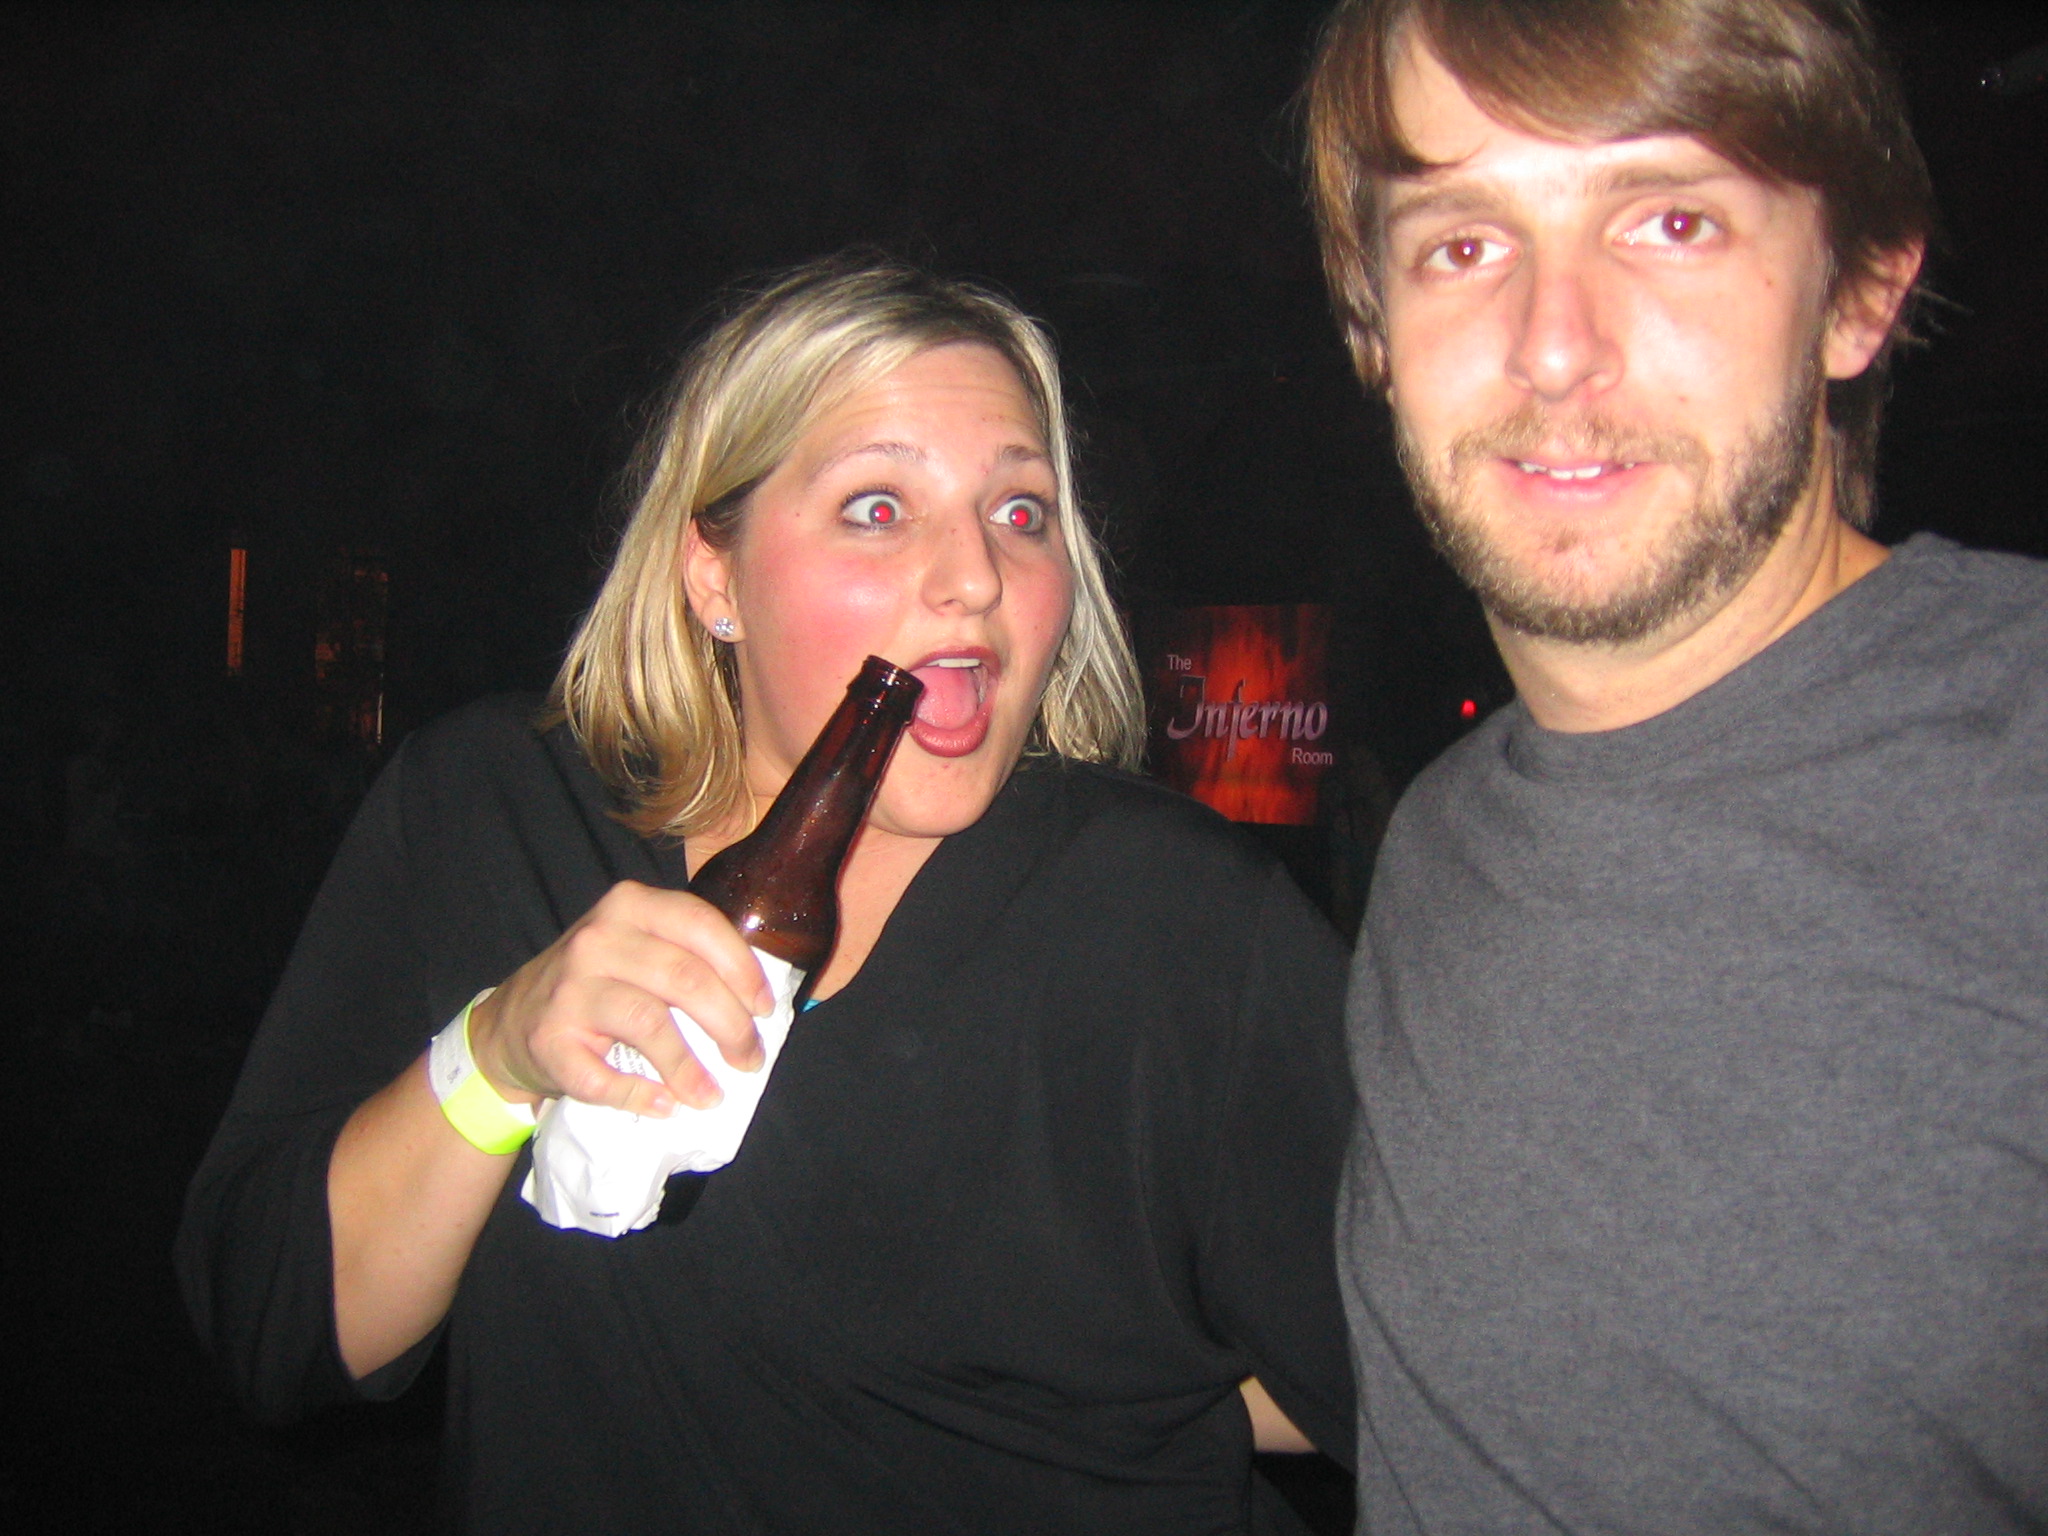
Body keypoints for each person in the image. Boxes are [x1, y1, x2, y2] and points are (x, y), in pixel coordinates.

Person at [177, 257, 1355, 1534]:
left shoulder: (1176, 919)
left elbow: (1419, 1372)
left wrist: (1138, 1403)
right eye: (875, 506)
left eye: (1020, 511)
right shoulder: (494, 815)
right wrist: (497, 1054)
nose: (973, 574)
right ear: (713, 575)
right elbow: (273, 1324)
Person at [1304, 0, 2047, 1528]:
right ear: (1375, 335)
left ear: (1859, 294)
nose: (1552, 343)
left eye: (1671, 221)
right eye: (1463, 243)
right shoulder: (1440, 854)